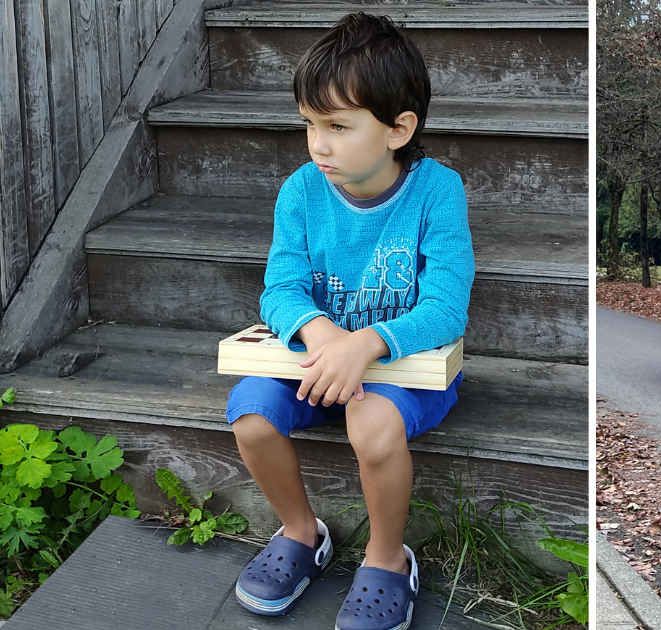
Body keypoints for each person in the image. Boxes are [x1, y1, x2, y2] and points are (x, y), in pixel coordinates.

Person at [223, 12, 474, 629]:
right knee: (250, 414)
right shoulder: (301, 191)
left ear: (398, 128)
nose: (319, 144)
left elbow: (445, 308)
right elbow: (279, 289)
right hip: (314, 362)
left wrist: (365, 344)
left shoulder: (437, 192)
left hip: (404, 369)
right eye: (309, 124)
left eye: (337, 126)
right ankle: (301, 532)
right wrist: (321, 333)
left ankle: (388, 559)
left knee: (372, 425)